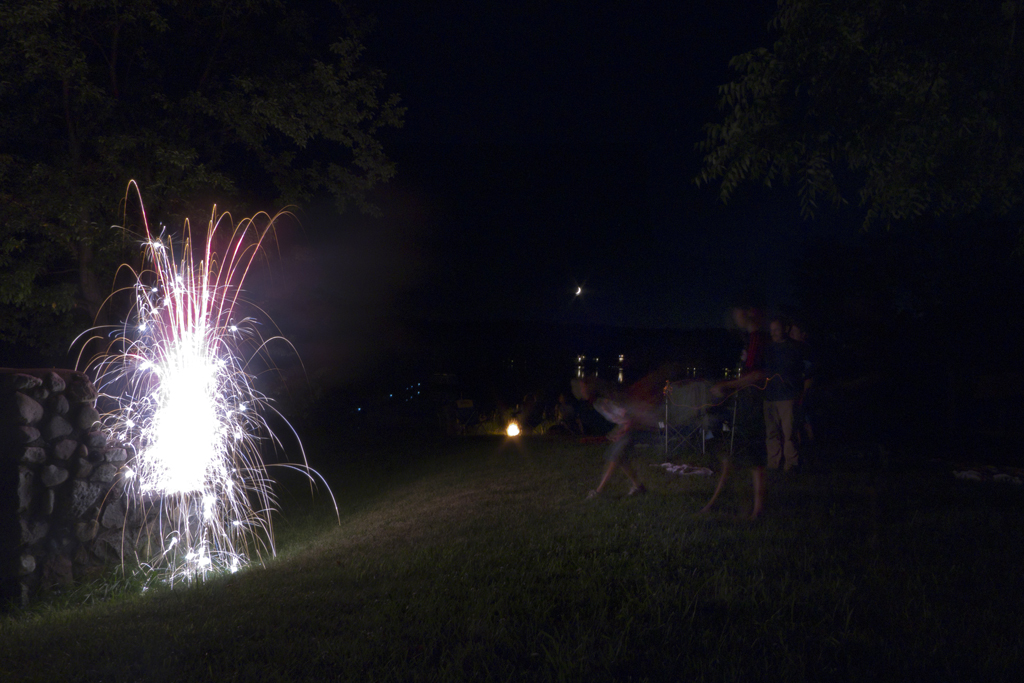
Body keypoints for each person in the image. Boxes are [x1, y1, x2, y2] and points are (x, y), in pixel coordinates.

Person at [702, 306, 768, 519]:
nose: (734, 316)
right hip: (747, 405)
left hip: (755, 405)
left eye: (737, 311)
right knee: (735, 456)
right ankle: (718, 503)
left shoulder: (758, 339)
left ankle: (757, 510)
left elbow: (758, 376)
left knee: (752, 457)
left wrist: (727, 386)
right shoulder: (751, 340)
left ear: (750, 311)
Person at [573, 374, 660, 498]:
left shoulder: (605, 402)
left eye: (583, 387)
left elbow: (629, 418)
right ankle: (638, 486)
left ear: (591, 388)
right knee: (621, 458)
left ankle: (599, 492)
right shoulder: (597, 403)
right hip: (631, 426)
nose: (581, 391)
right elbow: (621, 420)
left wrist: (621, 433)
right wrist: (615, 432)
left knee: (614, 456)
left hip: (639, 426)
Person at [763, 317, 805, 472]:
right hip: (770, 396)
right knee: (772, 432)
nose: (774, 333)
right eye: (772, 330)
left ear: (784, 330)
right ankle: (773, 463)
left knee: (789, 433)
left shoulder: (794, 347)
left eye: (777, 329)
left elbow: (802, 369)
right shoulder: (768, 349)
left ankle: (791, 464)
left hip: (787, 396)